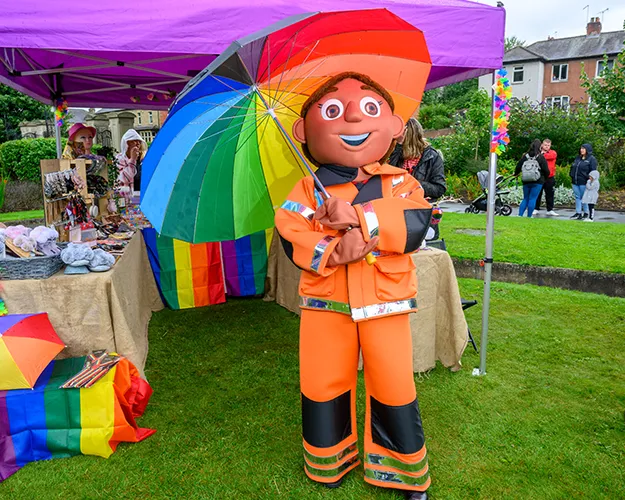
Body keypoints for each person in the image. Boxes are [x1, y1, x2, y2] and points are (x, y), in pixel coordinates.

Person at [275, 72, 433, 500]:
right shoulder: (308, 188)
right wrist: (332, 248)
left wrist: (361, 218)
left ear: (395, 126)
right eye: (331, 111)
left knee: (394, 383)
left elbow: (416, 221)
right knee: (323, 381)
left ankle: (403, 470)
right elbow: (290, 230)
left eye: (368, 108)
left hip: (384, 301)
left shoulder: (402, 182)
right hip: (328, 304)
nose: (349, 117)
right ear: (303, 131)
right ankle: (329, 459)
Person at [388, 118, 446, 200]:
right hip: (397, 204)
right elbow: (387, 176)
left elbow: (439, 189)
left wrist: (413, 183)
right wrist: (399, 145)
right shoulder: (397, 153)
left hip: (419, 206)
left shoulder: (431, 156)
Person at [514, 139, 550, 217]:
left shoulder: (525, 156)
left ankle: (520, 215)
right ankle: (529, 216)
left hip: (526, 180)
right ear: (540, 147)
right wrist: (545, 178)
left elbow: (518, 167)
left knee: (525, 198)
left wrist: (516, 174)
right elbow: (546, 170)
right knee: (533, 199)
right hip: (537, 181)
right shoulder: (540, 157)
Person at [115, 129, 147, 203]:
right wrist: (132, 160)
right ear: (127, 143)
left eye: (139, 141)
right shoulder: (119, 160)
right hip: (127, 202)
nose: (137, 144)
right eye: (134, 141)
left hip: (142, 199)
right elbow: (123, 179)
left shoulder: (143, 159)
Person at [569, 143, 597, 220]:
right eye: (581, 148)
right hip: (575, 181)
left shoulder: (591, 159)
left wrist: (590, 181)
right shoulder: (578, 158)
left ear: (587, 150)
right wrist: (571, 175)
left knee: (584, 197)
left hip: (584, 182)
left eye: (583, 148)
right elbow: (573, 167)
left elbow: (593, 171)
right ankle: (578, 213)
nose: (581, 150)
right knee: (577, 197)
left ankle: (586, 212)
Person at [534, 139, 558, 216]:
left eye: (548, 145)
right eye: (545, 145)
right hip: (539, 176)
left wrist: (542, 154)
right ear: (542, 145)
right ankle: (536, 208)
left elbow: (550, 156)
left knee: (550, 193)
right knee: (538, 193)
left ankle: (550, 209)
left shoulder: (553, 152)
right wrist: (541, 154)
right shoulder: (537, 152)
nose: (547, 147)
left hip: (550, 176)